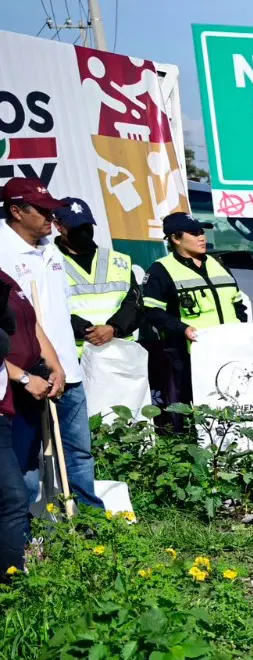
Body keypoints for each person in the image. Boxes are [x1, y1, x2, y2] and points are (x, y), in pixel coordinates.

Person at [0, 178, 100, 511]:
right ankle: (27, 543)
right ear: (16, 211)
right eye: (41, 210)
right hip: (23, 377)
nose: (50, 218)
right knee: (25, 463)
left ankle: (90, 524)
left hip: (65, 370)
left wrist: (59, 365)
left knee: (79, 452)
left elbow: (57, 313)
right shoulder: (2, 250)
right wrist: (29, 374)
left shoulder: (51, 249)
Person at [142, 211, 247, 409]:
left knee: (233, 401)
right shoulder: (160, 270)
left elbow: (238, 303)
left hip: (230, 349)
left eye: (201, 231)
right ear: (175, 238)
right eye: (193, 233)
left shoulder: (219, 264)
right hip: (190, 353)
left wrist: (241, 328)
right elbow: (152, 312)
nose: (201, 237)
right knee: (198, 407)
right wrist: (182, 329)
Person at [2, 268, 52, 576]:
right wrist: (22, 377)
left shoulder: (7, 279)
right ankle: (12, 572)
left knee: (21, 482)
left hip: (17, 396)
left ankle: (17, 556)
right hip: (17, 389)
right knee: (12, 491)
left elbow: (32, 328)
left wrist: (53, 366)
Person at [52, 197, 141, 358]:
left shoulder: (119, 260)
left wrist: (113, 328)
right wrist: (88, 331)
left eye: (87, 225)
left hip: (120, 354)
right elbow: (48, 310)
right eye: (76, 227)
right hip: (77, 356)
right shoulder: (48, 262)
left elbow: (135, 304)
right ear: (58, 226)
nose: (84, 231)